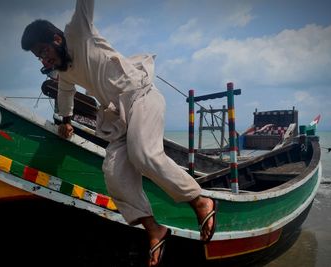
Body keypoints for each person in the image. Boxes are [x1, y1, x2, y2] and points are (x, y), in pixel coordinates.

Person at [21, 1, 217, 266]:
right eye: (39, 57)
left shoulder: (78, 30)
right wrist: (65, 121)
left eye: (44, 51)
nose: (44, 60)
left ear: (57, 39)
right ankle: (154, 230)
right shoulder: (65, 72)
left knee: (144, 154)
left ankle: (199, 200)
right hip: (117, 116)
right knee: (113, 173)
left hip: (141, 96)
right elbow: (65, 94)